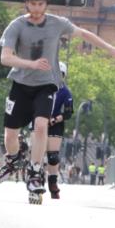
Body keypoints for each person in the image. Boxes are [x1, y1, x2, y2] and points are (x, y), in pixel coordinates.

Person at [0, 0, 115, 202]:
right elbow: (5, 57)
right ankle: (13, 160)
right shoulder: (16, 26)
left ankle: (34, 172)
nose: (36, 9)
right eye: (32, 4)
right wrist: (30, 64)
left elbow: (84, 34)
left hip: (46, 85)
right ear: (26, 4)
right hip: (21, 84)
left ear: (46, 4)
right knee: (10, 134)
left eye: (40, 4)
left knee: (41, 126)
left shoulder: (57, 23)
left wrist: (110, 49)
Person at [46, 60, 73, 200]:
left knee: (53, 157)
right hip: (39, 121)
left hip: (55, 124)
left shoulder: (65, 92)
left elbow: (68, 112)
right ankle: (35, 178)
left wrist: (55, 119)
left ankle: (52, 183)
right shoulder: (41, 87)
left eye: (60, 74)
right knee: (35, 153)